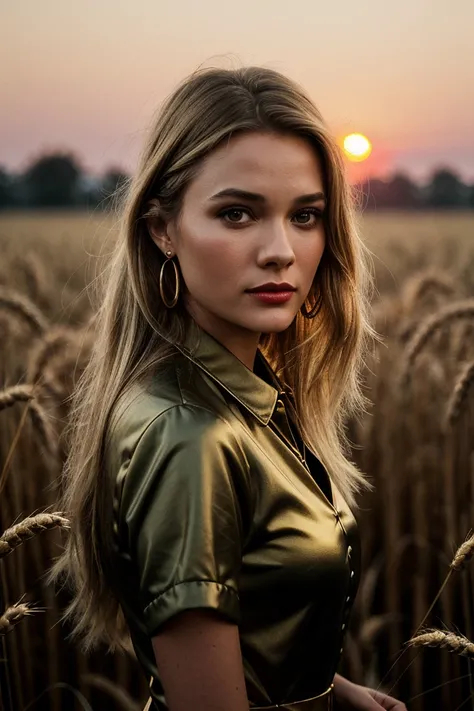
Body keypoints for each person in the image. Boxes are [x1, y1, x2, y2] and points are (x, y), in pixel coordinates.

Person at [49, 66, 407, 711]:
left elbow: (245, 621)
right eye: (237, 213)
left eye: (306, 216)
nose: (280, 250)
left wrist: (324, 691)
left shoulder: (239, 393)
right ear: (162, 229)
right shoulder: (192, 432)